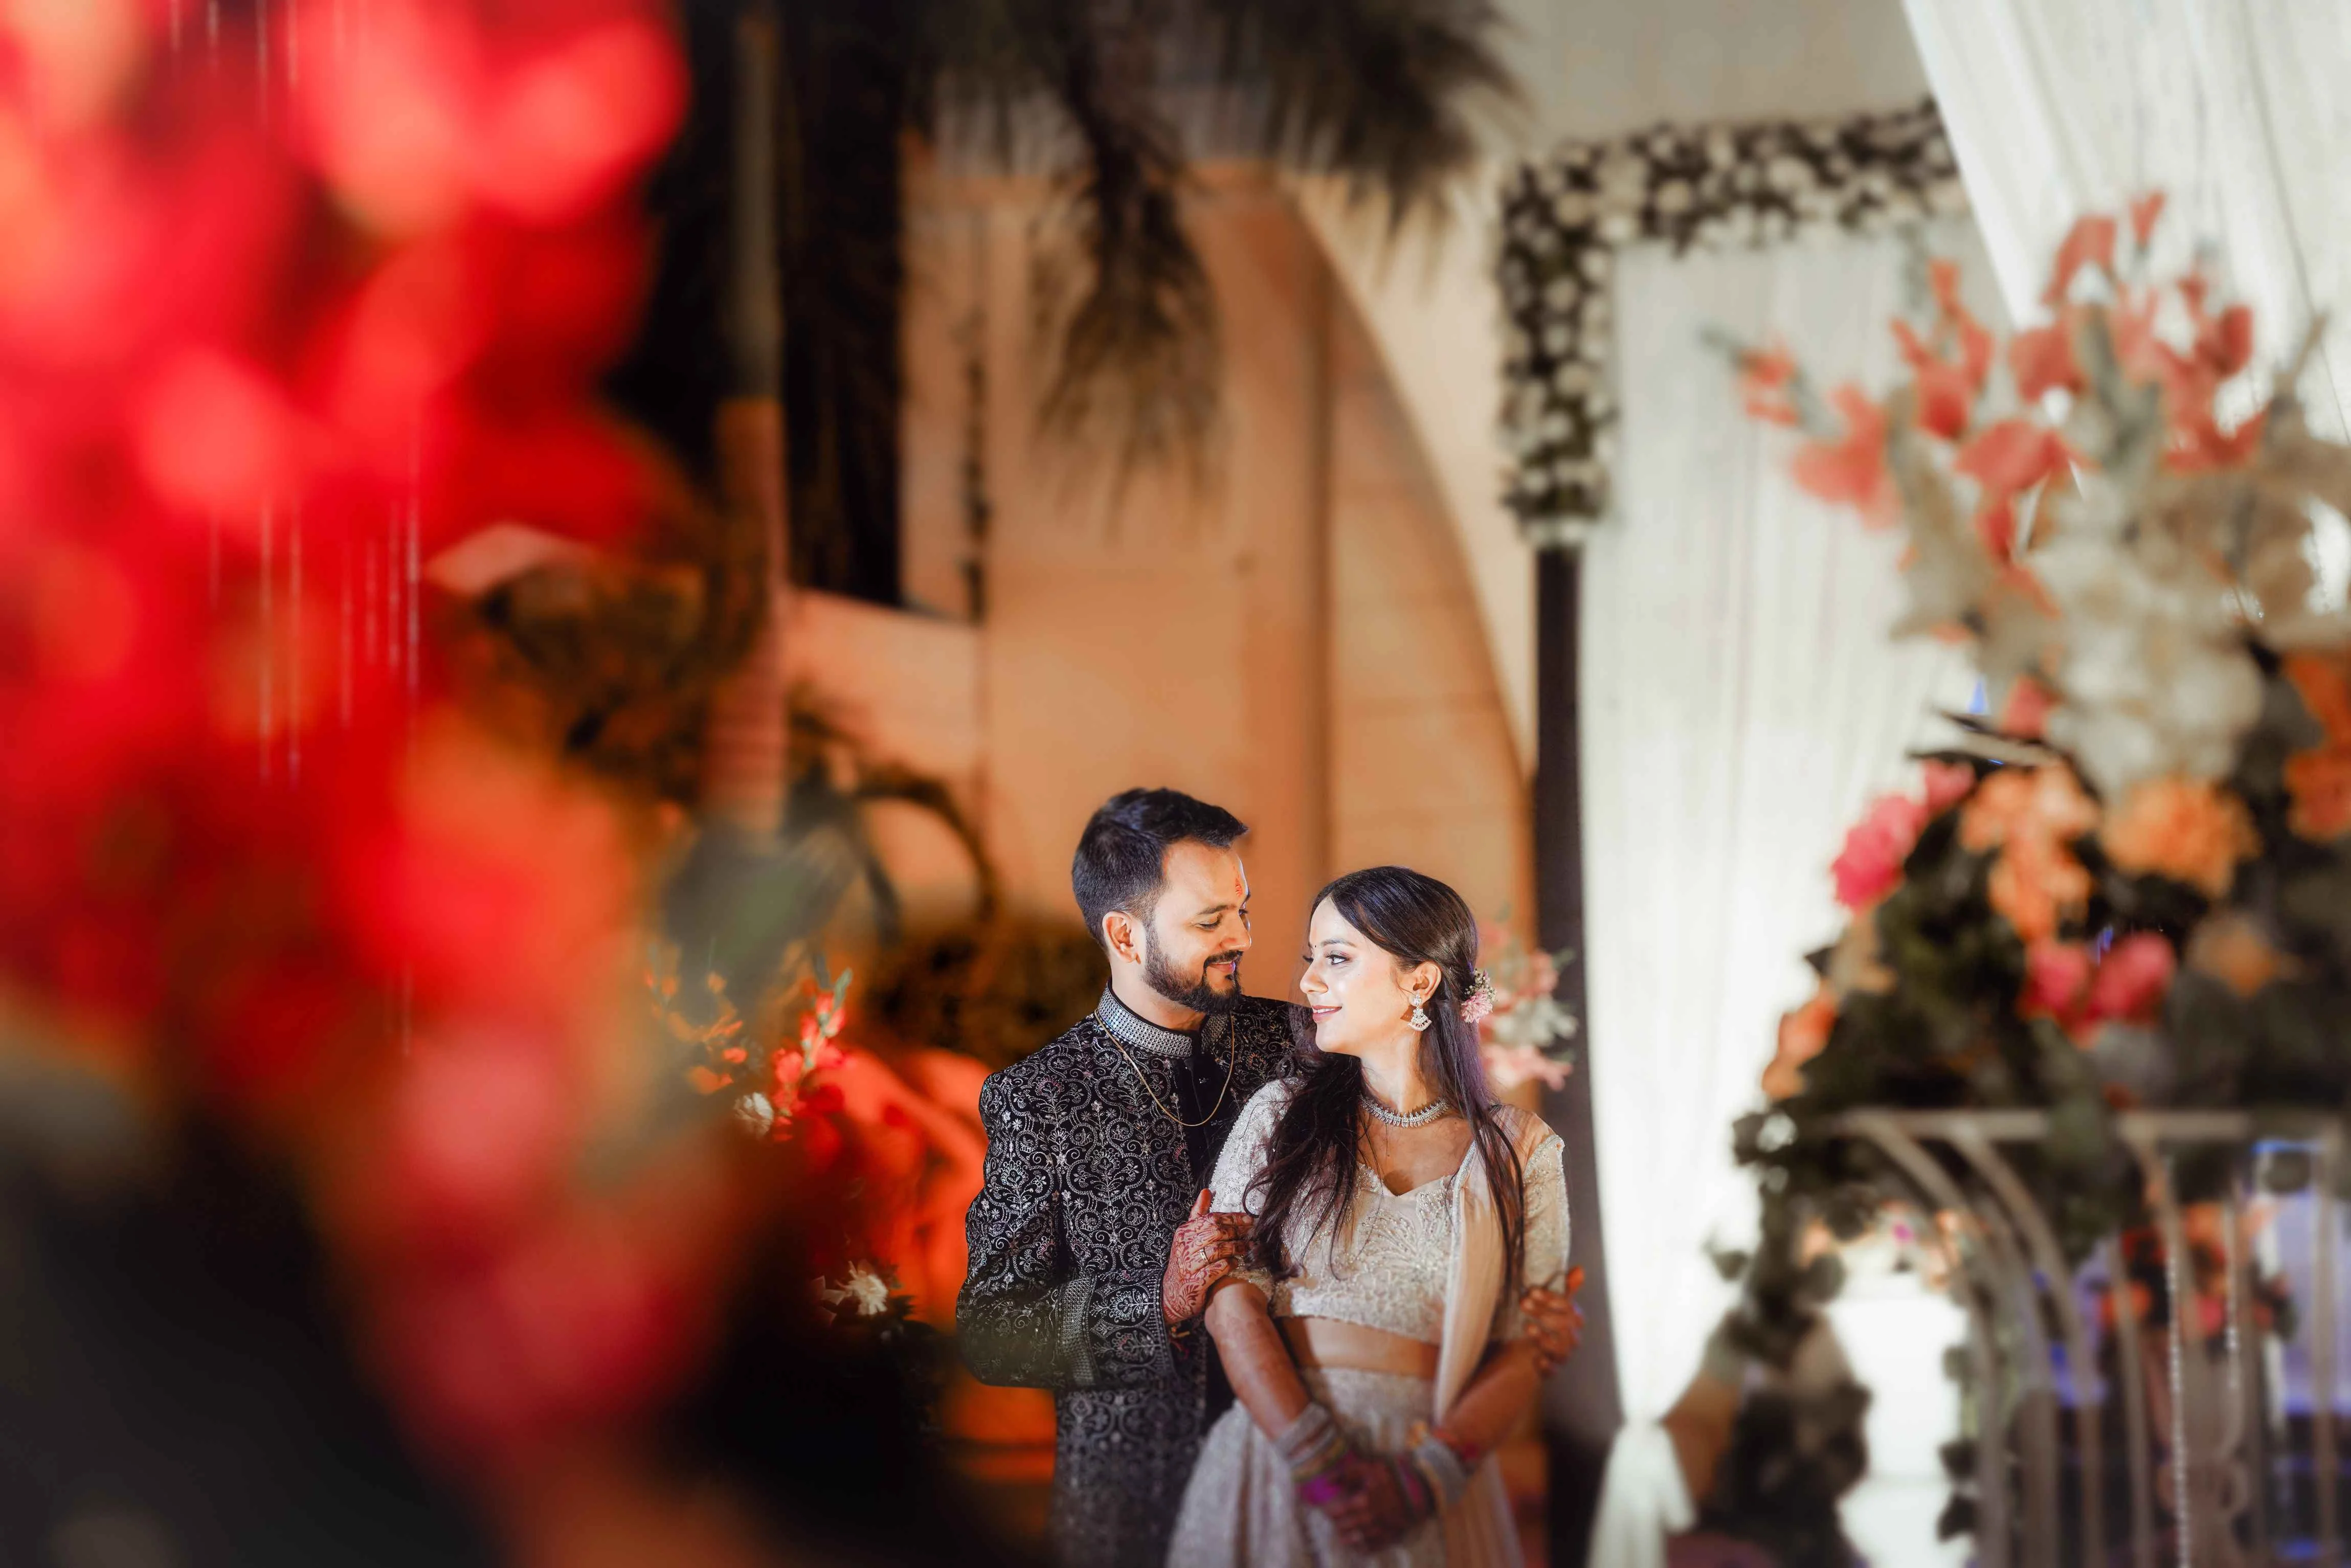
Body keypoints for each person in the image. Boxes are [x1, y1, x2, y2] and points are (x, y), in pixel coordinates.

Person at [958, 796, 1582, 1568]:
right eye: (1211, 920)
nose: (1245, 938)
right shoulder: (1041, 1097)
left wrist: (1523, 1318)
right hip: (1132, 1495)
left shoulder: (1303, 1039)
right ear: (1124, 933)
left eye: (1245, 910)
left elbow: (1426, 1111)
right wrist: (1160, 1301)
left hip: (1339, 1458)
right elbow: (992, 1330)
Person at [1168, 866, 1572, 1567]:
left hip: (1427, 1483)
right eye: (1312, 958)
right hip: (1275, 1463)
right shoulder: (1277, 1117)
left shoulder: (1521, 1152)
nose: (1309, 983)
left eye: (1337, 958)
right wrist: (1312, 1456)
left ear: (1420, 982)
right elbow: (1228, 1300)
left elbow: (1526, 1346)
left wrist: (1421, 1481)